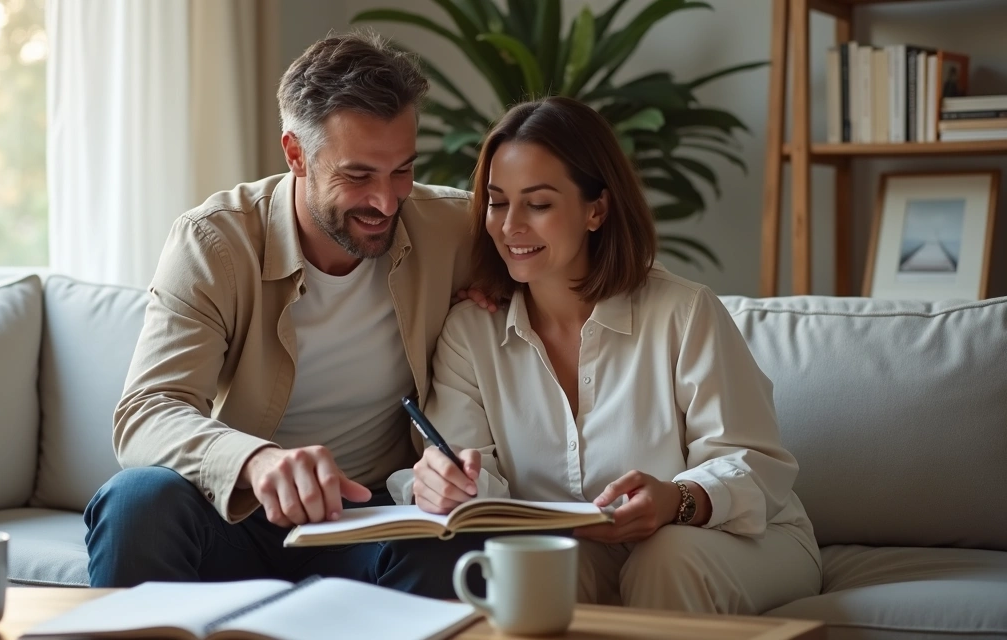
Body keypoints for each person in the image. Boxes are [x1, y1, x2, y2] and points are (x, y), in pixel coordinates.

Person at [84, 32, 488, 597]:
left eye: (402, 170)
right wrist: (255, 461)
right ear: (295, 154)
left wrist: (505, 292)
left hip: (372, 517)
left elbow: (556, 264)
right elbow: (147, 412)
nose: (386, 201)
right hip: (238, 510)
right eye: (358, 175)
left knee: (453, 542)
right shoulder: (214, 242)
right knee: (137, 501)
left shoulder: (451, 229)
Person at [390, 96, 822, 613]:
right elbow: (477, 480)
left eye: (539, 204)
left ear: (596, 209)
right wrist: (448, 485)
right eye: (497, 202)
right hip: (580, 553)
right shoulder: (469, 334)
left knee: (664, 558)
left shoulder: (684, 313)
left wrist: (677, 500)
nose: (509, 226)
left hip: (737, 541)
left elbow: (753, 463)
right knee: (538, 571)